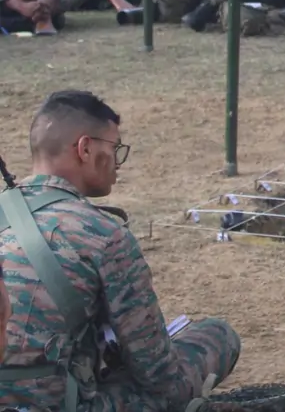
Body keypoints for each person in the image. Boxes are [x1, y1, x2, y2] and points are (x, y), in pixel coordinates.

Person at [0, 90, 240, 411]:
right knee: (218, 336)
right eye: (114, 148)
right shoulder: (103, 234)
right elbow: (158, 373)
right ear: (85, 149)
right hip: (59, 404)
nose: (118, 163)